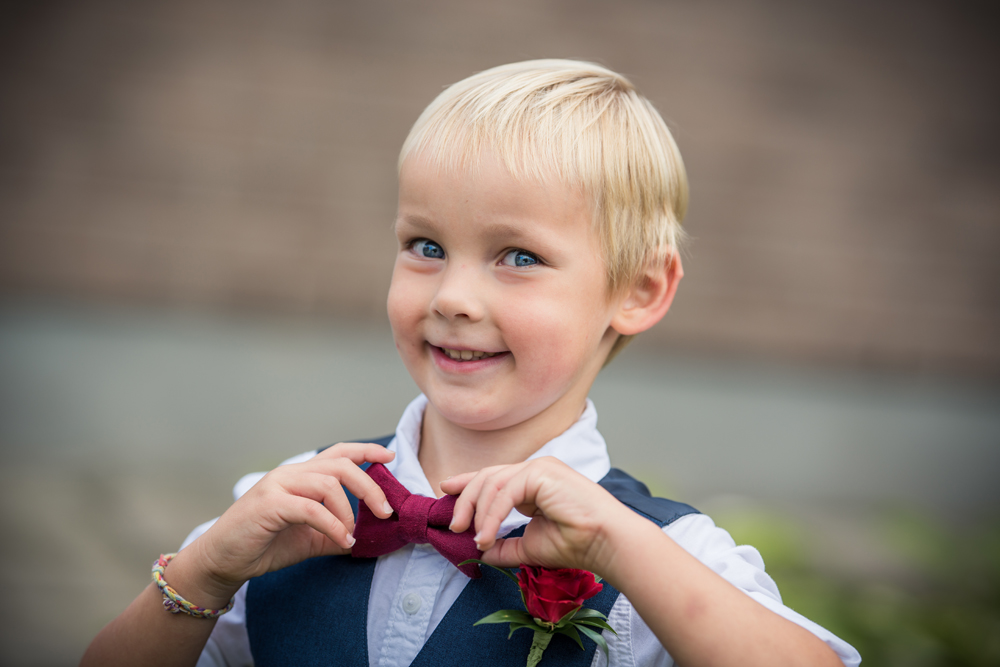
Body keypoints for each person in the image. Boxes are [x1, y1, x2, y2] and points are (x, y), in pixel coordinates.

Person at [82, 59, 860, 667]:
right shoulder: (291, 502)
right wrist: (205, 572)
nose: (452, 296)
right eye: (425, 245)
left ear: (639, 290)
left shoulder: (666, 553)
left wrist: (619, 546)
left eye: (517, 256)